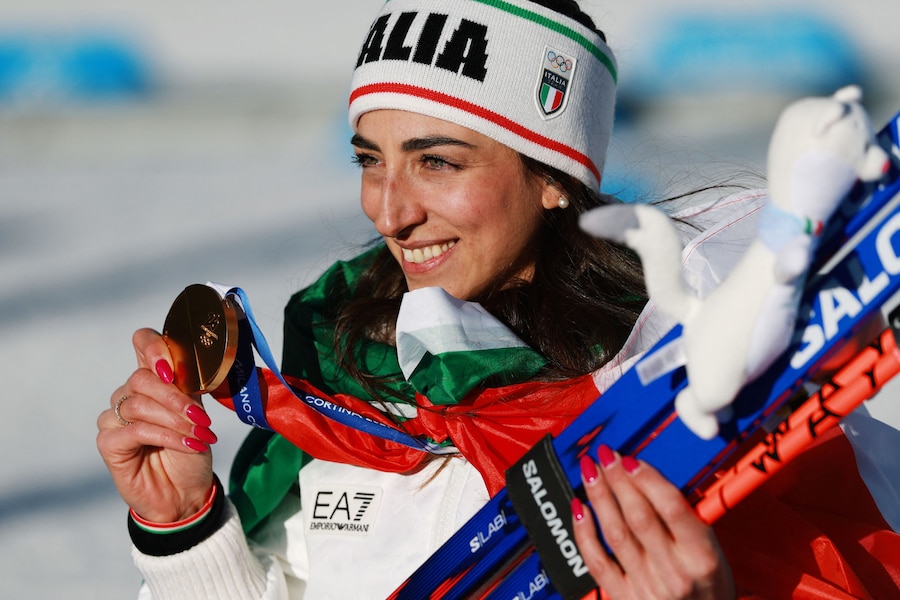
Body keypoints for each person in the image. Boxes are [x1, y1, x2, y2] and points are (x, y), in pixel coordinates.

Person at [96, 0, 900, 598]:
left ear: (553, 178)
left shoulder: (682, 384)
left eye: (437, 162)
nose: (388, 212)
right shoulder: (338, 381)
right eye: (370, 159)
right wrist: (185, 528)